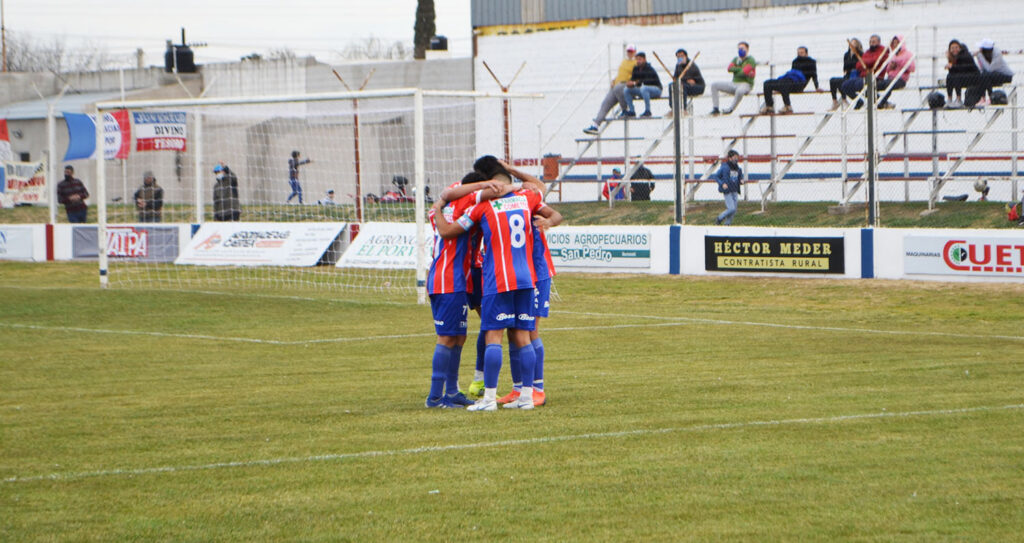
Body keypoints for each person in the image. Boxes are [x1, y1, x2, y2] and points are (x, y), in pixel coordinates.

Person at [433, 164, 563, 412]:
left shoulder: (482, 206)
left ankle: (489, 399)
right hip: (526, 277)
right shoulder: (527, 198)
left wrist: (437, 210)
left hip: (499, 278)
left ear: (495, 186)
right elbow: (545, 197)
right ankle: (526, 397)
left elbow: (448, 231)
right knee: (523, 335)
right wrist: (547, 220)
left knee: (493, 335)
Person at [424, 171, 512, 409]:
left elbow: (447, 195)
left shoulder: (444, 207)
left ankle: (452, 391)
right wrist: (502, 186)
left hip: (455, 279)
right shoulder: (465, 205)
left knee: (459, 336)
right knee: (447, 337)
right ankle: (435, 397)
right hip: (448, 279)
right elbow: (483, 194)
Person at [495, 160, 555, 408]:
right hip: (517, 273)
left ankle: (537, 389)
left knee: (530, 330)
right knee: (514, 331)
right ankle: (518, 388)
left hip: (537, 272)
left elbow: (540, 186)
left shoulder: (526, 198)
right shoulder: (499, 203)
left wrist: (510, 169)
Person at [583, 44, 637, 135]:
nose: (629, 53)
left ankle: (625, 110)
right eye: (628, 51)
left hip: (626, 86)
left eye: (631, 51)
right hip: (617, 86)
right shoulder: (624, 62)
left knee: (618, 88)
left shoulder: (636, 63)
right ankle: (595, 125)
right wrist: (614, 80)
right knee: (605, 103)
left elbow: (637, 76)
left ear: (635, 52)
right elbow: (621, 74)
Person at [760, 46, 819, 115]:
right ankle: (769, 106)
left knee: (784, 84)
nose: (799, 55)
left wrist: (817, 87)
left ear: (806, 53)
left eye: (802, 53)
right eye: (798, 53)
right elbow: (792, 73)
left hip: (799, 83)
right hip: (789, 80)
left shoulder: (811, 62)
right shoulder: (795, 61)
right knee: (767, 83)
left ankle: (788, 106)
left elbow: (814, 75)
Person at [840, 34, 888, 109]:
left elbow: (875, 61)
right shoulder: (867, 52)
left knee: (859, 85)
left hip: (875, 76)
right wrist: (866, 63)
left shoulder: (883, 51)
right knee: (845, 85)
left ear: (879, 42)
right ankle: (859, 101)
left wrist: (865, 62)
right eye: (870, 42)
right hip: (863, 76)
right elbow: (858, 65)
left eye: (873, 42)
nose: (871, 43)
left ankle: (880, 101)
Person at [710, 41, 756, 115]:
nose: (740, 50)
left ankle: (731, 109)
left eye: (742, 48)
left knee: (740, 91)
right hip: (734, 83)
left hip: (746, 84)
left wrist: (736, 70)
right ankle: (715, 108)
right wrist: (740, 69)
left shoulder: (751, 60)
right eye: (739, 49)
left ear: (747, 49)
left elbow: (744, 72)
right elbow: (729, 69)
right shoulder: (736, 59)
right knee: (714, 85)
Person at [966, 39, 1014, 108]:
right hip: (990, 76)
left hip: (1005, 75)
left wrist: (980, 56)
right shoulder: (982, 55)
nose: (979, 50)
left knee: (985, 75)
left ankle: (990, 96)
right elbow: (982, 70)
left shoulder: (997, 55)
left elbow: (990, 69)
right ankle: (982, 98)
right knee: (983, 76)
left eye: (981, 48)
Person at [877, 35, 914, 109]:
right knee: (876, 85)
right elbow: (888, 70)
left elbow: (912, 68)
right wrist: (891, 67)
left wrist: (899, 63)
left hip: (901, 80)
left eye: (897, 42)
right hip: (890, 78)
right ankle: (878, 102)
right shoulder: (893, 55)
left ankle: (881, 103)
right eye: (893, 43)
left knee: (888, 84)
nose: (895, 44)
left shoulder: (908, 54)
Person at [666, 48, 705, 115]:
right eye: (678, 57)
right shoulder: (678, 66)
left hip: (697, 86)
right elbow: (676, 78)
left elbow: (694, 79)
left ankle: (683, 108)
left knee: (682, 87)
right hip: (685, 85)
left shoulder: (691, 65)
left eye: (682, 56)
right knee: (671, 85)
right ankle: (673, 108)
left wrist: (692, 81)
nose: (680, 58)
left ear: (686, 56)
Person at [623, 52, 662, 117]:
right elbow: (633, 80)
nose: (638, 61)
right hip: (643, 91)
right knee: (626, 90)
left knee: (644, 88)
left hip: (656, 90)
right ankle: (632, 111)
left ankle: (648, 111)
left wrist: (635, 83)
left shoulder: (649, 68)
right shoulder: (636, 68)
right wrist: (630, 83)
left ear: (644, 59)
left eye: (640, 59)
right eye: (637, 59)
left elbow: (646, 81)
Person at [830, 38, 863, 110]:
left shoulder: (860, 54)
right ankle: (835, 101)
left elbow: (857, 65)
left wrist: (851, 64)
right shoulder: (846, 54)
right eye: (851, 43)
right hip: (848, 75)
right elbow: (845, 67)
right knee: (832, 80)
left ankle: (847, 99)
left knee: (843, 83)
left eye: (854, 43)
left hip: (855, 76)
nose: (852, 45)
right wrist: (851, 65)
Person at [944, 39, 978, 108]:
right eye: (952, 48)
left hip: (972, 77)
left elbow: (963, 68)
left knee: (957, 76)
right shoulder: (953, 57)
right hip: (962, 76)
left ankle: (959, 99)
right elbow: (953, 72)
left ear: (960, 48)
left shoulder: (965, 55)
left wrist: (952, 67)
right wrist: (949, 62)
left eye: (956, 47)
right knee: (949, 76)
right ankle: (949, 99)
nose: (954, 50)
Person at [714, 150, 743, 226]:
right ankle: (719, 218)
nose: (736, 159)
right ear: (730, 158)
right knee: (731, 208)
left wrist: (741, 180)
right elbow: (716, 176)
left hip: (735, 190)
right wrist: (722, 183)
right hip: (727, 190)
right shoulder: (724, 167)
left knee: (734, 210)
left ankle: (727, 224)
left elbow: (740, 176)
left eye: (737, 157)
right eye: (734, 157)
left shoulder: (738, 168)